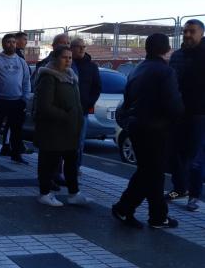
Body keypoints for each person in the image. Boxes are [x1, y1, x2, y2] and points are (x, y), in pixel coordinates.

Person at [112, 33, 184, 228]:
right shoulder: (165, 71)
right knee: (150, 173)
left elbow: (127, 99)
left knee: (151, 172)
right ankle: (124, 207)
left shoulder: (138, 69)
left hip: (137, 127)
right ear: (167, 49)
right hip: (156, 129)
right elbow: (173, 104)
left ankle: (158, 216)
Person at [33, 45, 88, 207]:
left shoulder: (71, 76)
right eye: (65, 57)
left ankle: (73, 193)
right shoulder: (48, 77)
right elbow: (45, 106)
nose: (68, 60)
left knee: (71, 163)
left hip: (70, 130)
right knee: (48, 163)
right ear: (55, 58)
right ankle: (45, 193)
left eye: (70, 58)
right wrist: (66, 115)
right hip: (53, 130)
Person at [165, 19, 205, 211]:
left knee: (195, 157)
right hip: (178, 113)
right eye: (185, 31)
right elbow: (172, 83)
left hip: (199, 114)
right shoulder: (178, 56)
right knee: (175, 154)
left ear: (201, 33)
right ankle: (179, 189)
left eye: (192, 31)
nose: (187, 35)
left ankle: (195, 195)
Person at [0, 34, 31, 165]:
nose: (11, 44)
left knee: (17, 130)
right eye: (8, 42)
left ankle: (16, 154)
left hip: (17, 101)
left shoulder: (21, 62)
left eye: (13, 42)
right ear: (3, 44)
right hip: (0, 100)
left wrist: (25, 98)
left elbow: (26, 81)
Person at [69, 38, 101, 170]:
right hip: (65, 110)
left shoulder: (91, 67)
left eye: (84, 46)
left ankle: (75, 168)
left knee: (79, 142)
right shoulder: (66, 63)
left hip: (82, 110)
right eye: (78, 46)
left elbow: (97, 88)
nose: (82, 49)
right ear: (71, 48)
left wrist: (88, 103)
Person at [0, 32, 32, 156]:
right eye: (24, 39)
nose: (25, 42)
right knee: (12, 123)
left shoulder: (19, 56)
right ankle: (9, 146)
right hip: (10, 97)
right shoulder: (15, 56)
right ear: (17, 40)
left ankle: (15, 146)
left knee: (14, 123)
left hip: (18, 96)